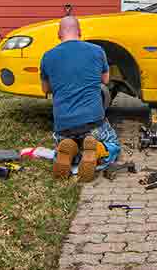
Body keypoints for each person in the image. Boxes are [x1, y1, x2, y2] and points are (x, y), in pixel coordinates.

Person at [40, 15, 121, 182]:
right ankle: (97, 149)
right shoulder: (97, 51)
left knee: (66, 146)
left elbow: (45, 89)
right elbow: (105, 80)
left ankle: (69, 152)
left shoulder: (47, 56)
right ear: (80, 32)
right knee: (114, 146)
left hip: (63, 124)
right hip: (93, 121)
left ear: (58, 34)